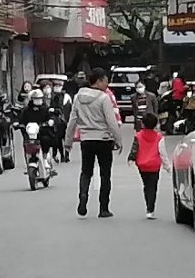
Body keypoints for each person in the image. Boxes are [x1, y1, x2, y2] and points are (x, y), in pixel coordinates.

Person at [68, 69, 122, 218]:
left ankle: (83, 195)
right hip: (104, 140)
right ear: (98, 81)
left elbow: (72, 120)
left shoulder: (78, 97)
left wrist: (68, 140)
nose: (107, 84)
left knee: (86, 172)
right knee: (105, 174)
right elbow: (111, 121)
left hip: (86, 140)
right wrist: (118, 139)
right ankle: (103, 208)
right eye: (105, 81)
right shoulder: (104, 98)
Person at [130, 113, 165, 217]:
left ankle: (148, 206)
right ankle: (150, 209)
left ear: (143, 124)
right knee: (153, 187)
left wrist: (131, 158)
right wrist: (167, 166)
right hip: (154, 165)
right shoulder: (159, 137)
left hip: (142, 165)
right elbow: (162, 152)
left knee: (146, 185)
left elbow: (135, 148)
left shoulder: (138, 136)